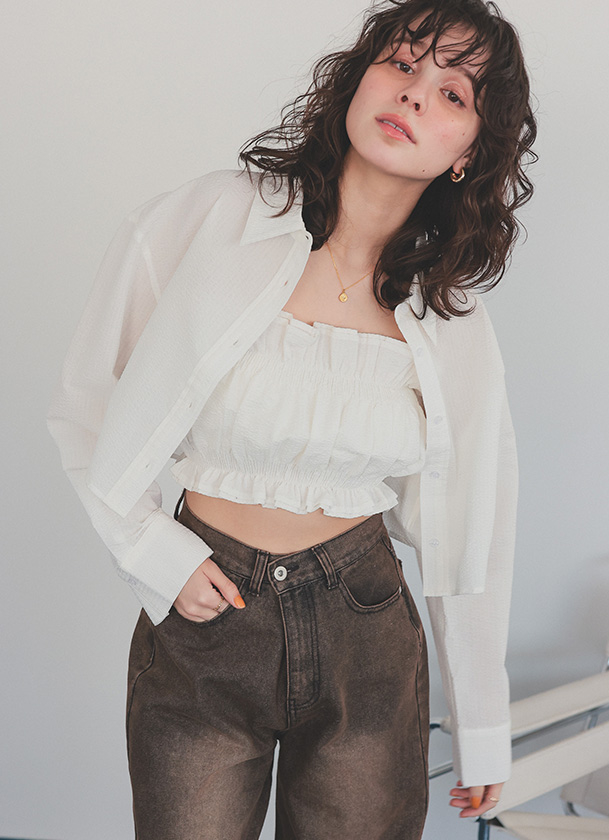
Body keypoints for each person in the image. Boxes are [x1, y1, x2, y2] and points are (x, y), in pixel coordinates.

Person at [46, 0, 536, 836]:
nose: (415, 94)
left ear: (468, 154)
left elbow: (476, 526)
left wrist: (483, 725)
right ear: (358, 78)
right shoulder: (213, 219)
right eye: (402, 62)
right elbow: (86, 398)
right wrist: (151, 551)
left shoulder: (451, 320)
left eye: (454, 94)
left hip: (365, 629)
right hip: (205, 617)